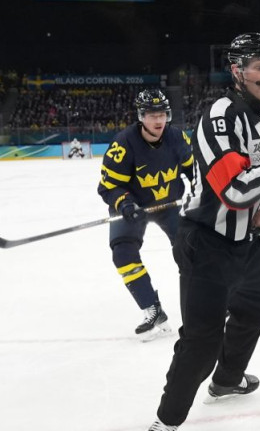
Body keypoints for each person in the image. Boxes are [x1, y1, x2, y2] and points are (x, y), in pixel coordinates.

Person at [149, 33, 260, 431]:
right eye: (259, 67)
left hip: (247, 244)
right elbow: (235, 190)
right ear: (237, 71)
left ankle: (225, 381)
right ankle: (165, 422)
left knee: (256, 305)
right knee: (201, 342)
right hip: (206, 241)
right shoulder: (220, 115)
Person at [97, 89, 193, 341]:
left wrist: (198, 191)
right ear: (141, 117)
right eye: (152, 115)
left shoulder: (178, 138)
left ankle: (209, 301)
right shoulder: (123, 144)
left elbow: (193, 170)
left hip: (168, 203)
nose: (158, 120)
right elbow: (108, 186)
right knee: (123, 254)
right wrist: (124, 203)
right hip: (133, 208)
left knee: (192, 248)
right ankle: (152, 308)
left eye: (162, 114)